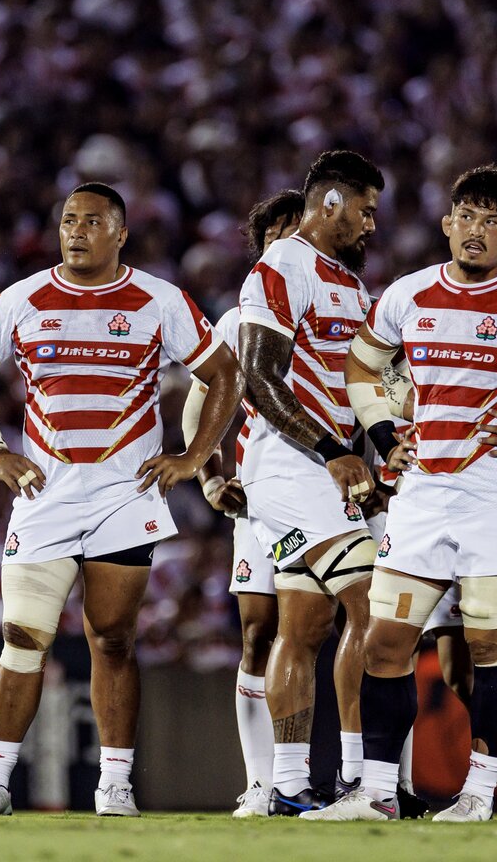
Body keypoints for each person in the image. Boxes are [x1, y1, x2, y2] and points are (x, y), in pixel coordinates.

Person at [302, 164, 497, 822]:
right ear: (446, 224)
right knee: (385, 644)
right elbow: (360, 365)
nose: (476, 230)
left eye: (492, 221)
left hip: (496, 496)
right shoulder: (407, 295)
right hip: (422, 495)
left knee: (488, 648)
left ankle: (478, 791)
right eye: (467, 216)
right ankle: (378, 793)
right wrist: (383, 435)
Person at [0, 183, 242, 818]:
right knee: (22, 637)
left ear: (121, 234)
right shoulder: (22, 298)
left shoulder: (159, 300)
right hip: (43, 494)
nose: (77, 231)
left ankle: (115, 785)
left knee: (111, 641)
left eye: (93, 221)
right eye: (69, 220)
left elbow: (224, 373)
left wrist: (193, 459)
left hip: (122, 497)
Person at [237, 150, 383, 815]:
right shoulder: (282, 267)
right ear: (330, 204)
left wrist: (375, 457)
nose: (371, 225)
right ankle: (359, 777)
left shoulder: (350, 284)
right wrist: (332, 452)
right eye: (365, 210)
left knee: (304, 626)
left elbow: (356, 391)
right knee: (374, 604)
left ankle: (290, 786)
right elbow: (257, 377)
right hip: (290, 470)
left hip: (325, 472)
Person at [180, 189, 304, 817]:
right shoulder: (234, 324)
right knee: (259, 632)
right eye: (278, 235)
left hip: (334, 495)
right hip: (258, 500)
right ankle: (262, 783)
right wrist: (209, 478)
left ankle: (367, 780)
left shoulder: (348, 310)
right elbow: (199, 408)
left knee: (341, 632)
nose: (289, 244)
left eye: (299, 231)